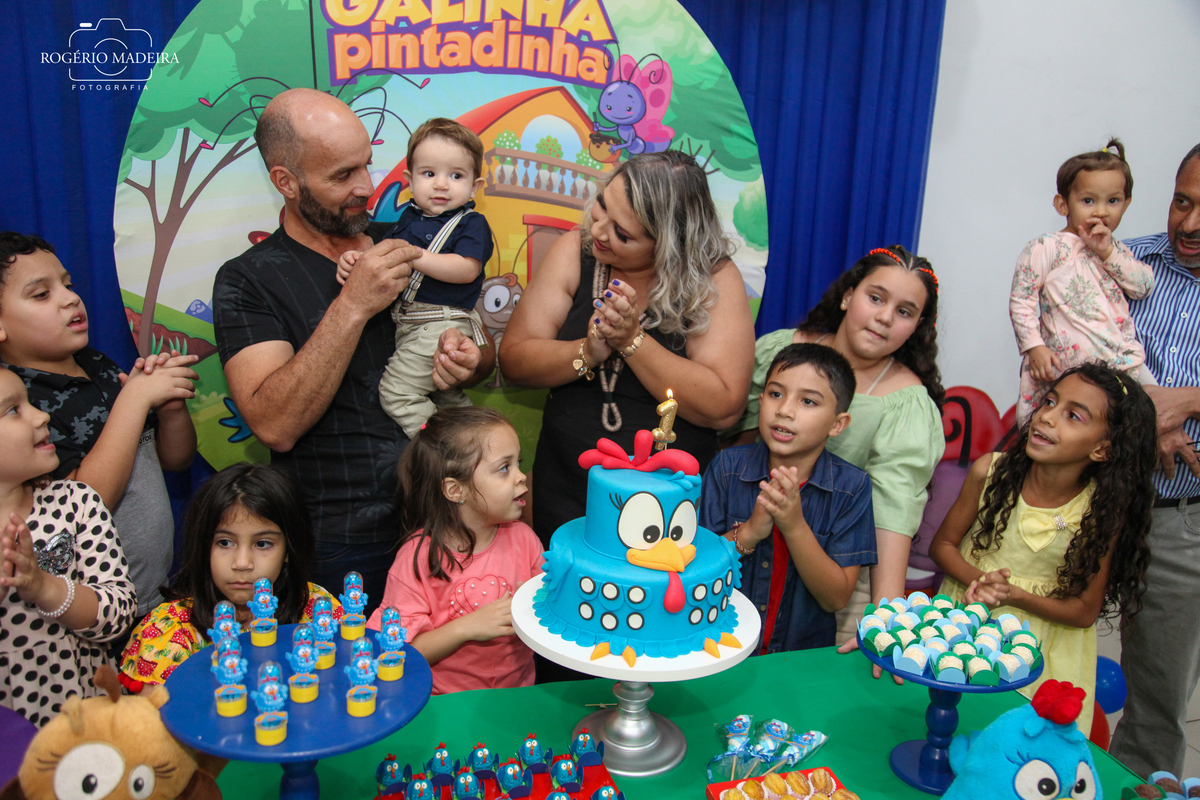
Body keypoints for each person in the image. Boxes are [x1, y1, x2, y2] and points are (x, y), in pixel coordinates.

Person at [212, 89, 489, 613]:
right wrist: (353, 305)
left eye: (367, 163)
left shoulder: (408, 237)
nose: (366, 186)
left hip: (445, 517)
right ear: (286, 182)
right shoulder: (248, 280)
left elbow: (477, 337)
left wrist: (471, 359)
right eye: (343, 175)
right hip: (341, 540)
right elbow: (274, 423)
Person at [499, 150, 755, 545]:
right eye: (602, 206)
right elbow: (514, 360)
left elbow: (724, 406)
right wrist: (586, 352)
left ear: (670, 244)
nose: (599, 231)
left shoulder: (713, 278)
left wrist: (632, 341)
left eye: (622, 233)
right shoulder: (575, 251)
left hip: (664, 509)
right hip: (566, 488)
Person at [729, 245, 945, 653]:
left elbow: (893, 512)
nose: (884, 317)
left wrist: (886, 618)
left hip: (838, 575)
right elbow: (733, 445)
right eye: (876, 298)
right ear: (848, 295)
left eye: (904, 311)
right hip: (749, 549)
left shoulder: (907, 404)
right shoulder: (781, 352)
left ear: (917, 327)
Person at [930, 363, 1156, 735]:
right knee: (949, 726)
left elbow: (1084, 611)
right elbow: (942, 545)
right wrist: (983, 582)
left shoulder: (1099, 511)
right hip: (967, 625)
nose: (1047, 417)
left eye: (1073, 416)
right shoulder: (990, 472)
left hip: (1040, 652)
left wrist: (1015, 596)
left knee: (1019, 746)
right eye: (1050, 402)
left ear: (1102, 449)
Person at [0, 232, 197, 625]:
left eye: (68, 285)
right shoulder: (23, 409)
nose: (70, 298)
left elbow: (174, 460)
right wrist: (134, 400)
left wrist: (171, 410)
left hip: (154, 593)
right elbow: (84, 504)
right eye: (42, 294)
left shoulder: (98, 365)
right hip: (91, 611)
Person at [1109, 143, 1200, 778]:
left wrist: (1188, 400)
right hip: (1083, 494)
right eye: (1181, 201)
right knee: (1032, 657)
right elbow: (1062, 353)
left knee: (1156, 701)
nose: (1188, 224)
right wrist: (1147, 410)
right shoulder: (1123, 262)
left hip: (1178, 516)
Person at [698, 344, 876, 653]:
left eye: (808, 401)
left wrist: (794, 526)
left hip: (799, 659)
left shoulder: (852, 488)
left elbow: (835, 598)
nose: (785, 410)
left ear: (837, 424)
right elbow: (697, 568)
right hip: (722, 645)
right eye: (776, 394)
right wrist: (750, 532)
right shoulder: (727, 469)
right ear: (761, 400)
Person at [118, 463, 343, 692]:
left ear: (288, 550)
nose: (242, 563)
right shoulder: (169, 630)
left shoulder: (318, 610)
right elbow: (151, 714)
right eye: (225, 542)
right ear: (203, 546)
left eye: (263, 544)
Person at [364, 407, 543, 695]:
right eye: (504, 468)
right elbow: (395, 652)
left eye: (518, 463)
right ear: (455, 490)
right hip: (442, 702)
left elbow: (546, 613)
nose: (521, 477)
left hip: (515, 695)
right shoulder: (417, 558)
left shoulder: (525, 539)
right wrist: (466, 628)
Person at [337, 118, 494, 438]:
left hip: (440, 324)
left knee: (397, 393)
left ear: (474, 186)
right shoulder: (408, 218)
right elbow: (383, 259)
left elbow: (467, 269)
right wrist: (356, 262)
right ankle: (472, 439)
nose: (441, 184)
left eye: (456, 175)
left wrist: (416, 255)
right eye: (429, 173)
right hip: (410, 325)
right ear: (409, 180)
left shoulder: (471, 223)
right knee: (445, 394)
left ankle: (439, 450)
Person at [0, 366, 136, 727]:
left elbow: (118, 613)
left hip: (84, 718)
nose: (42, 415)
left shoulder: (74, 503)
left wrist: (44, 588)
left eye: (30, 402)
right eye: (13, 410)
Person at [1009, 138, 1155, 426]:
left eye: (1112, 201)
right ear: (1063, 204)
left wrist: (1107, 252)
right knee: (1051, 425)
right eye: (1088, 201)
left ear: (1126, 204)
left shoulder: (1116, 250)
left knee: (1137, 420)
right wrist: (1034, 347)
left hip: (1118, 363)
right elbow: (1021, 300)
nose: (1101, 211)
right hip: (1063, 363)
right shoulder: (1047, 247)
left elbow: (1142, 286)